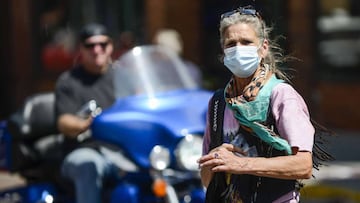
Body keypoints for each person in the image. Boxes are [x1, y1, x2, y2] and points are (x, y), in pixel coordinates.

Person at [198, 6, 316, 203]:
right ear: (223, 52)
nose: (238, 49)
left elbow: (303, 165)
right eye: (231, 43)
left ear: (263, 48)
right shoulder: (219, 103)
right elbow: (207, 179)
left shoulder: (280, 96)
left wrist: (240, 164)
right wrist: (214, 159)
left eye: (246, 42)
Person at [54, 23, 117, 203]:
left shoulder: (123, 76)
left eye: (102, 44)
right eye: (90, 45)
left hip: (122, 152)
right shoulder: (69, 81)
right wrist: (87, 124)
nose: (97, 50)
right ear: (81, 49)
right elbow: (63, 122)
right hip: (84, 150)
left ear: (110, 46)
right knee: (88, 166)